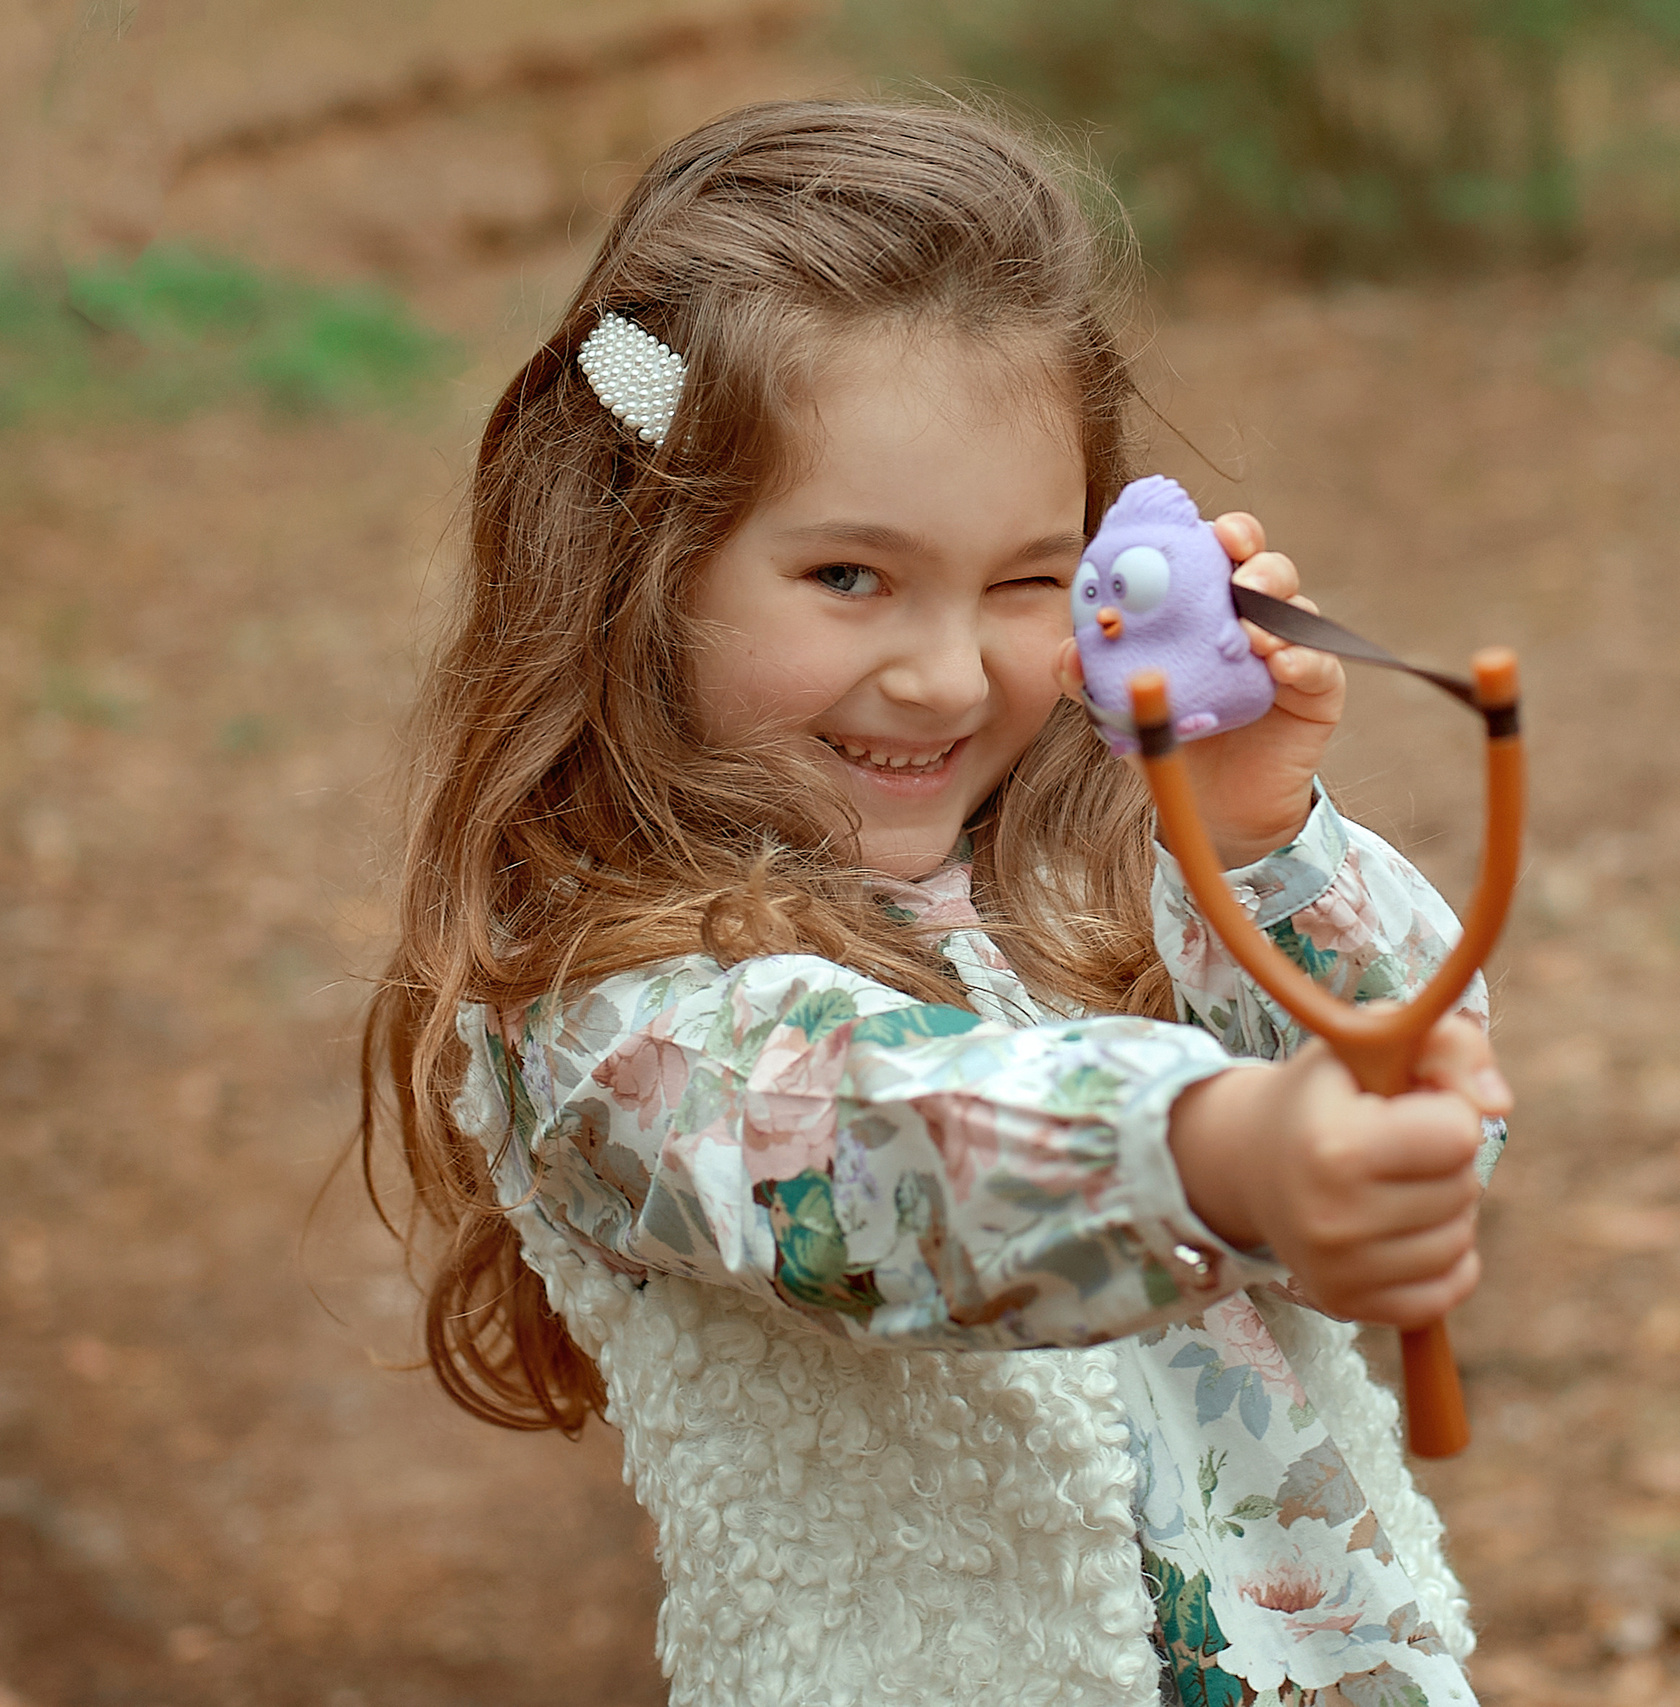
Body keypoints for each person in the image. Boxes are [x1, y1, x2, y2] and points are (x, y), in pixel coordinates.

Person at [359, 99, 1511, 1707]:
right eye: (849, 577)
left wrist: (1252, 837)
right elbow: (884, 1154)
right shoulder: (618, 1017)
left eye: (1025, 578)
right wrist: (1225, 1153)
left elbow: (1434, 1109)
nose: (948, 672)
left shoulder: (1084, 875)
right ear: (640, 563)